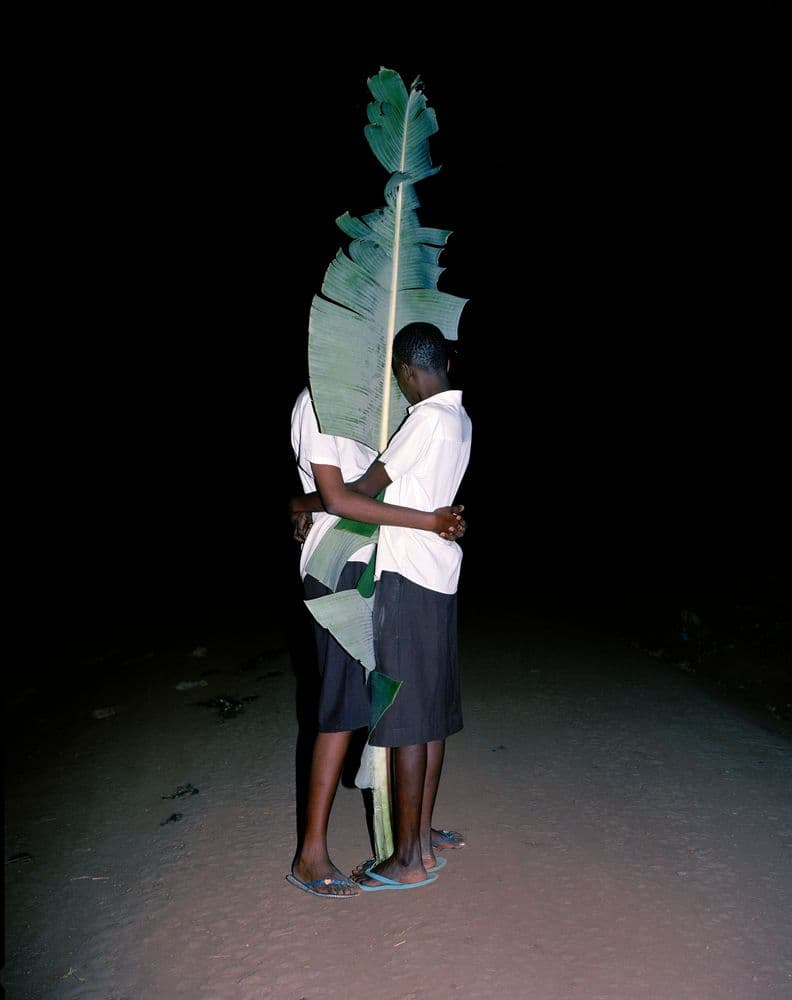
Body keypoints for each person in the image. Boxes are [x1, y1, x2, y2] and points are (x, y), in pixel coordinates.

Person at [286, 379, 464, 898]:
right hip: (338, 563)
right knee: (343, 707)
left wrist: (300, 502)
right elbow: (339, 497)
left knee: (404, 698)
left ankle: (414, 833)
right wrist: (429, 521)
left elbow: (381, 482)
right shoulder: (317, 403)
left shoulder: (377, 402)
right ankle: (310, 855)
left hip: (386, 562)